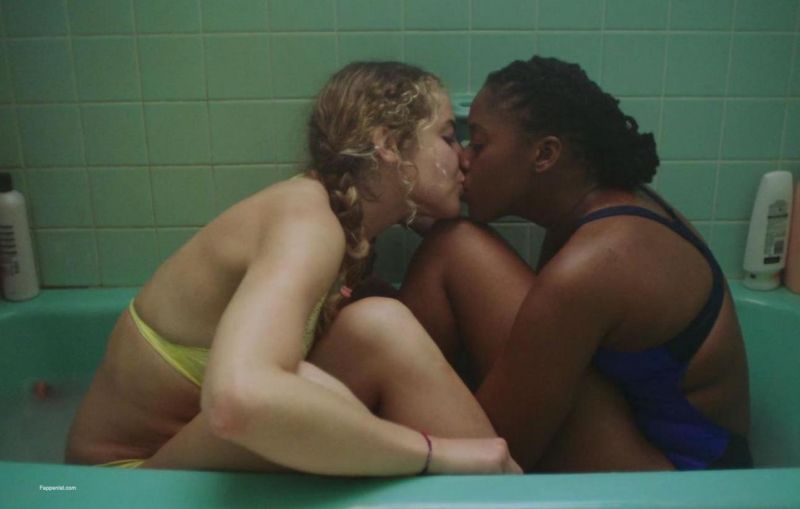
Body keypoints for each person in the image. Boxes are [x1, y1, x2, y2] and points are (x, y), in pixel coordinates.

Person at [65, 62, 521, 476]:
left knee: (375, 322)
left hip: (179, 459)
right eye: (447, 137)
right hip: (125, 486)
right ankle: (503, 491)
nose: (463, 156)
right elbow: (239, 398)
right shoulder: (307, 223)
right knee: (377, 330)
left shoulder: (340, 220)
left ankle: (504, 491)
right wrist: (432, 453)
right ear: (387, 144)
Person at [399, 56, 752, 472]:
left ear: (545, 154)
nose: (464, 159)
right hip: (647, 440)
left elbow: (504, 455)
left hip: (683, 481)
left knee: (453, 246)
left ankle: (375, 427)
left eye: (478, 144)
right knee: (452, 245)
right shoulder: (604, 211)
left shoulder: (595, 263)